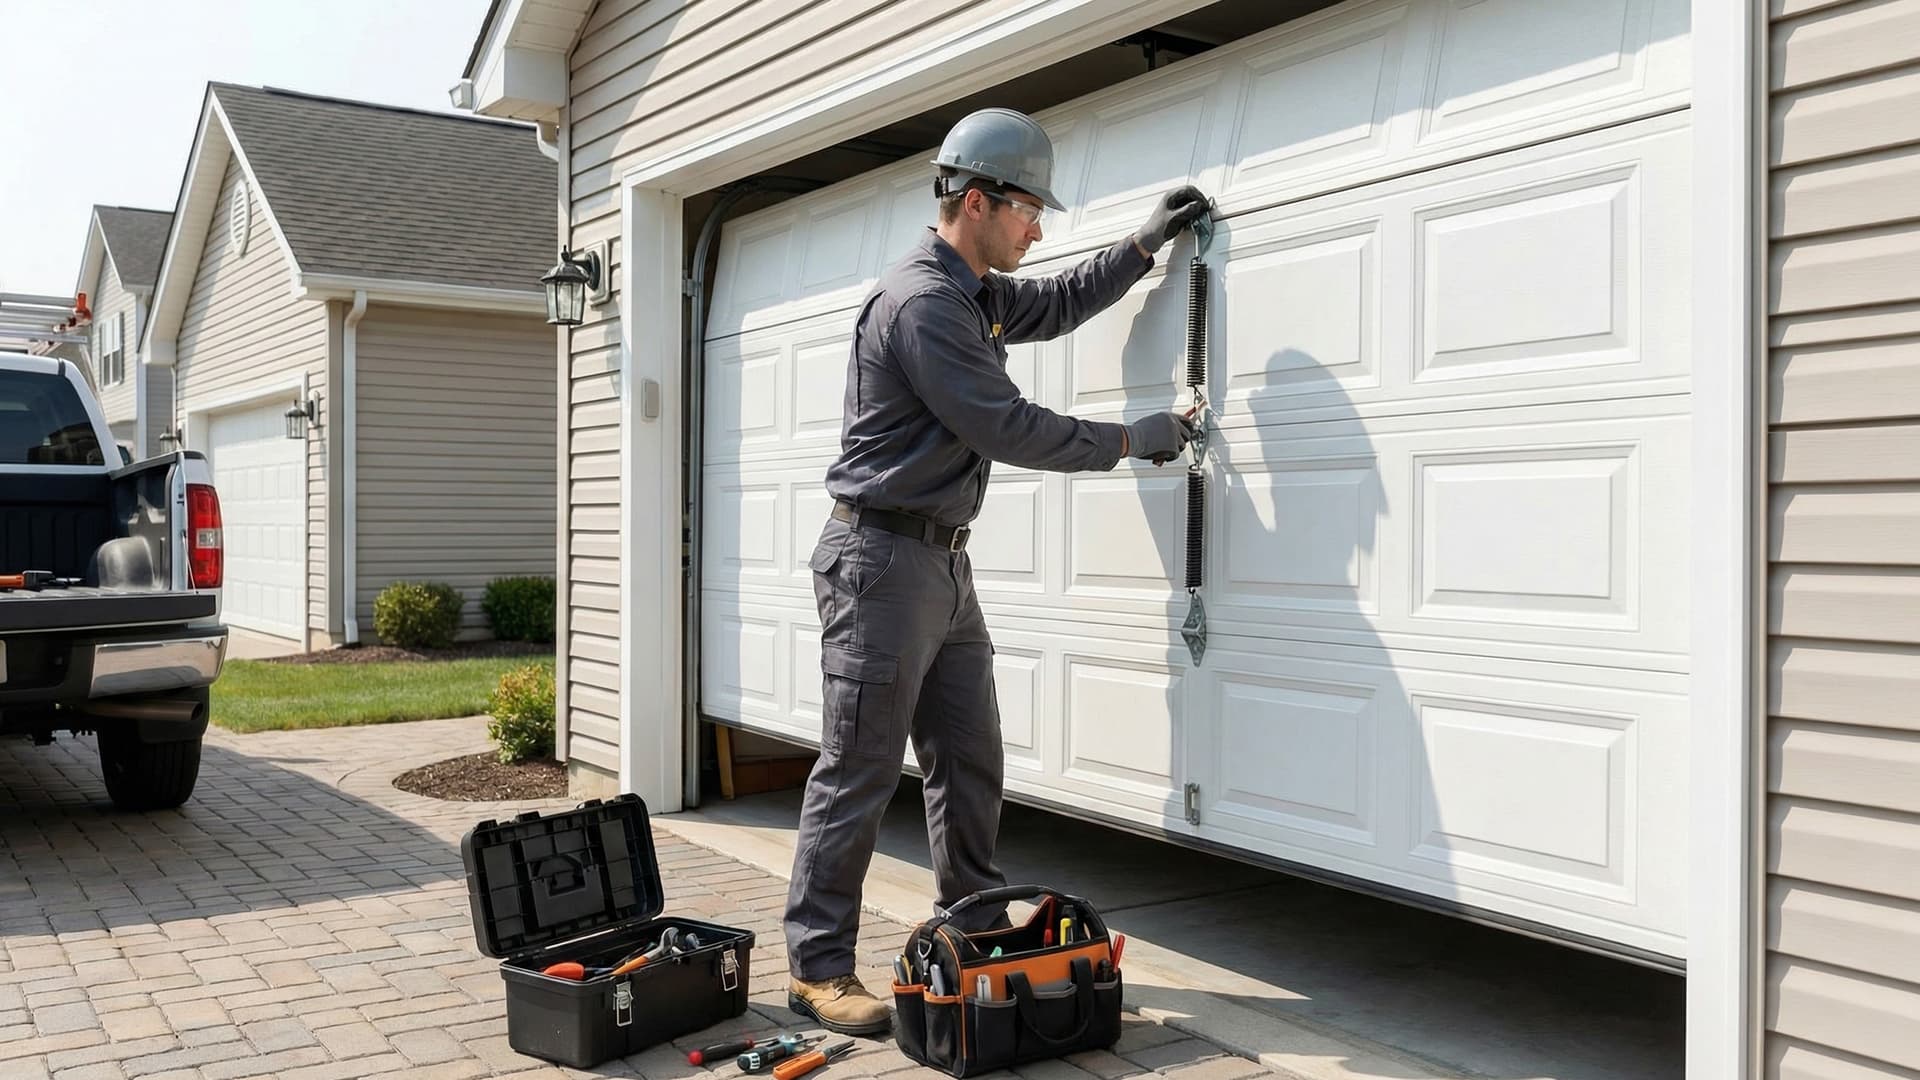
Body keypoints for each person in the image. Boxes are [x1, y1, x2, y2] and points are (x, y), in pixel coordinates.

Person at [784, 105, 1211, 1035]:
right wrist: (1135, 439)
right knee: (858, 768)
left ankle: (973, 926)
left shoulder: (973, 290)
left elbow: (1052, 304)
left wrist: (1140, 249)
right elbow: (1007, 426)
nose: (1038, 226)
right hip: (881, 564)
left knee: (968, 759)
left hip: (938, 565)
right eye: (1027, 208)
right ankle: (817, 969)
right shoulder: (924, 304)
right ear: (975, 200)